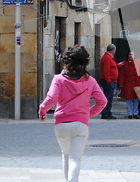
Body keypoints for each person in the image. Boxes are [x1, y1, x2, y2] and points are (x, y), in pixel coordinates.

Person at [38, 45, 107, 182]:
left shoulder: (58, 79)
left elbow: (51, 98)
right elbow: (102, 101)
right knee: (75, 158)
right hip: (81, 124)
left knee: (66, 155)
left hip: (61, 124)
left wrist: (42, 110)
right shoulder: (90, 81)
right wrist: (88, 114)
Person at [118, 51, 140, 119]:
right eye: (129, 54)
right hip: (128, 84)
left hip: (136, 83)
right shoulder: (125, 63)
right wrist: (121, 84)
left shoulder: (138, 63)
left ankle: (135, 113)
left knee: (136, 99)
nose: (130, 56)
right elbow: (122, 75)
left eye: (132, 54)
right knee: (128, 99)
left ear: (134, 55)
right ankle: (130, 113)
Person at [100, 44, 119, 119]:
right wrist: (108, 80)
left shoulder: (108, 57)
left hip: (110, 80)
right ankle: (106, 113)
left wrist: (118, 65)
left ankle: (107, 112)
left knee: (109, 97)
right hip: (109, 80)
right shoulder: (107, 58)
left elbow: (111, 66)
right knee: (108, 97)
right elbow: (106, 70)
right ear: (113, 50)